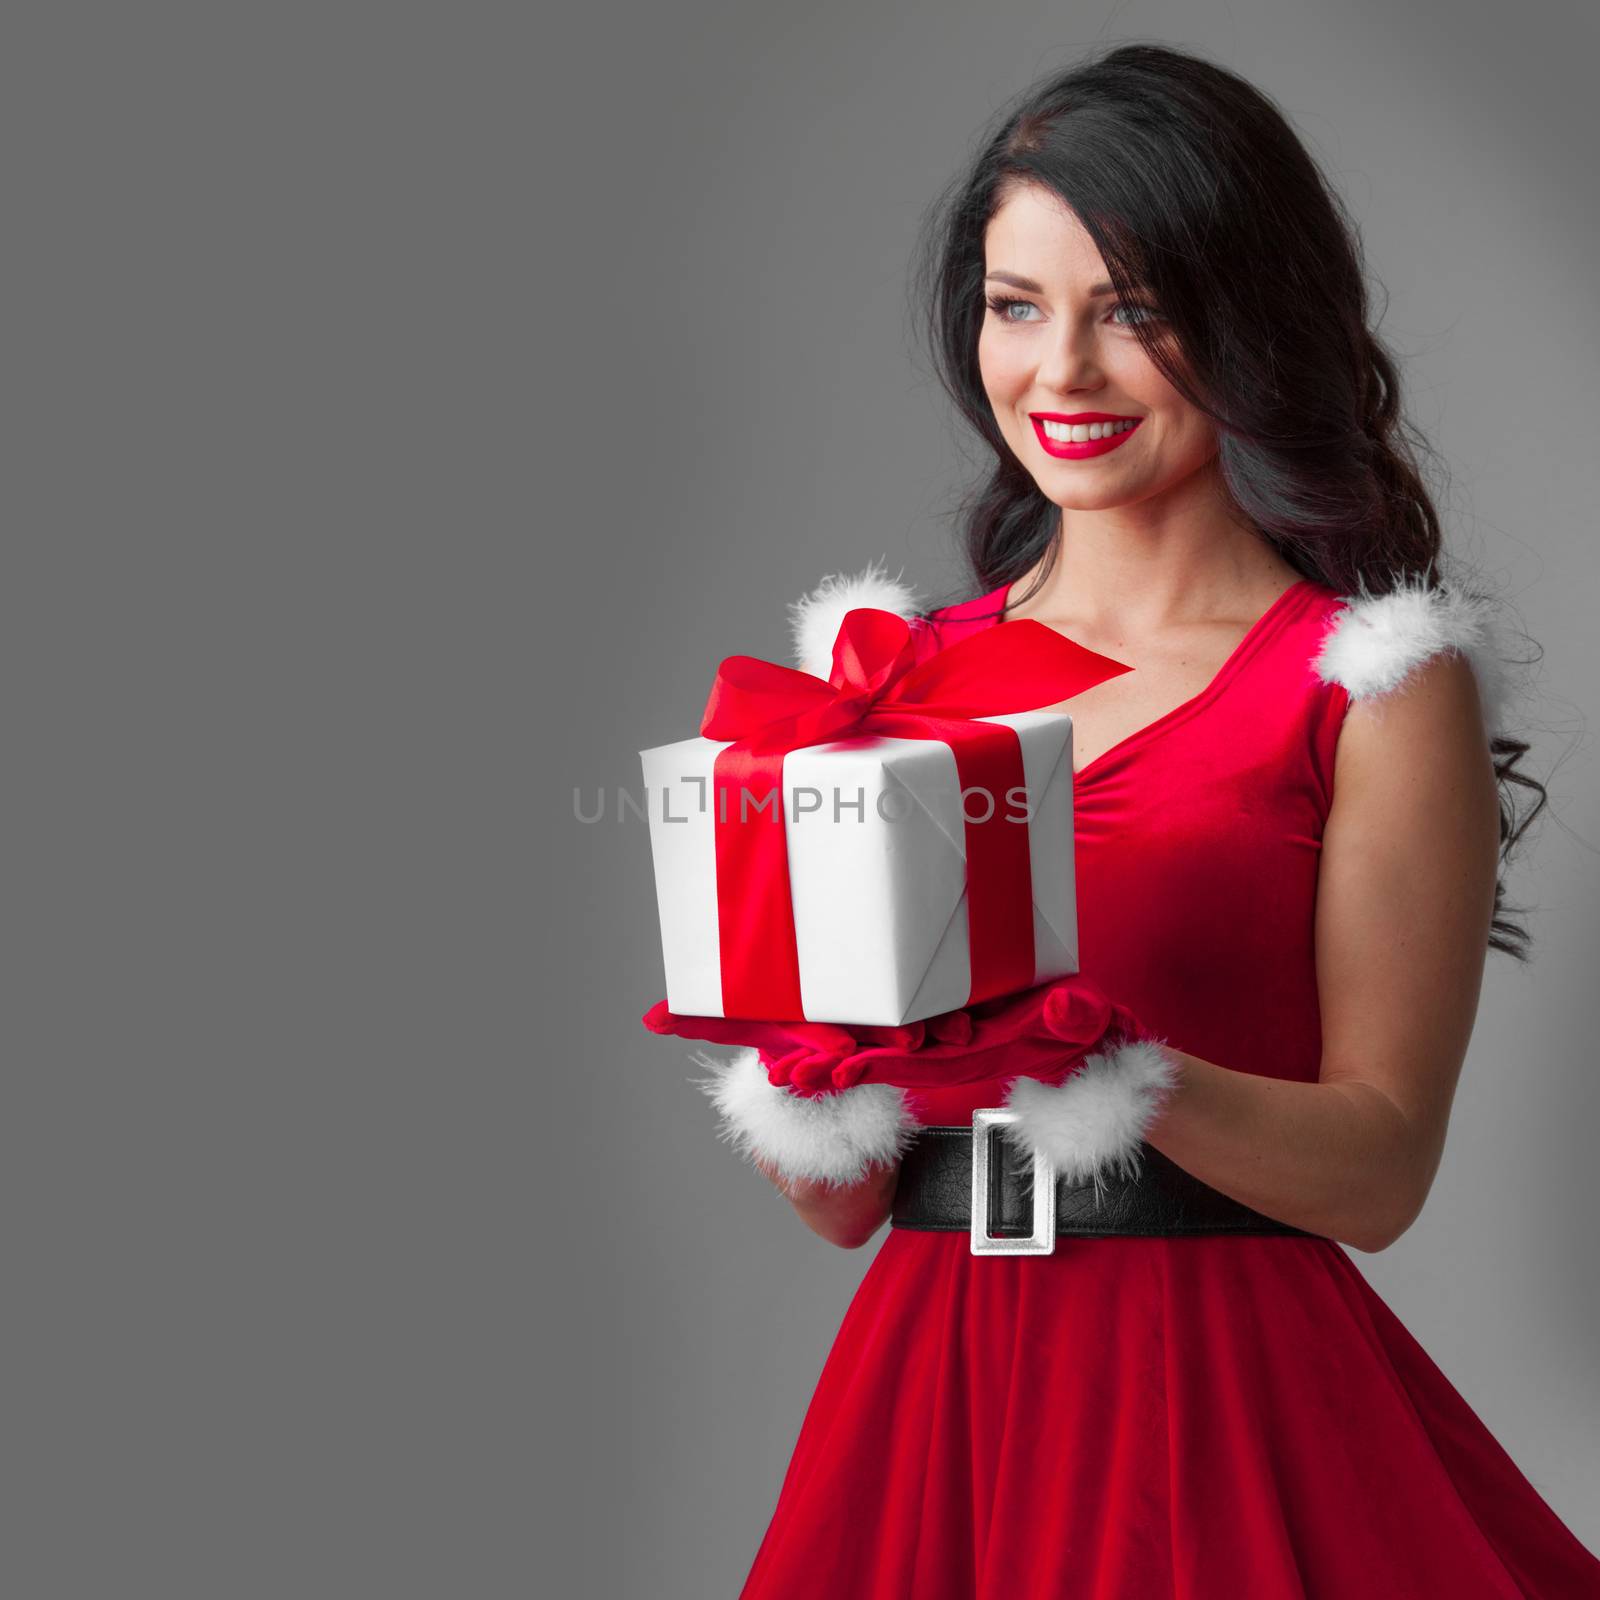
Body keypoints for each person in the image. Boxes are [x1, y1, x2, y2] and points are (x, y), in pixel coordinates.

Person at [655, 43, 1600, 1595]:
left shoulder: (1367, 684)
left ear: (1251, 327)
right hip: (939, 1389)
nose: (1063, 374)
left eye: (1136, 312)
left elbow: (1379, 1177)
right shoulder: (887, 682)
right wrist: (780, 1030)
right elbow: (842, 1206)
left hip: (1212, 1386)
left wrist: (1108, 1068)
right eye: (1019, 307)